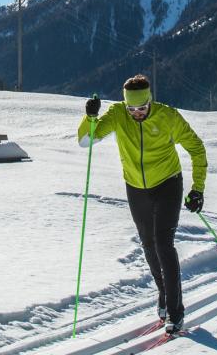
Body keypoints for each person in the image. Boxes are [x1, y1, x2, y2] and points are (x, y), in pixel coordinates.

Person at [78, 74, 207, 335]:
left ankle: (175, 310)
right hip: (136, 188)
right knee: (148, 245)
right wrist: (90, 118)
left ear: (150, 101)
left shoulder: (167, 116)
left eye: (142, 108)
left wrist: (198, 188)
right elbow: (85, 141)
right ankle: (163, 293)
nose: (137, 113)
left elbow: (196, 147)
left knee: (163, 244)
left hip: (168, 184)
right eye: (132, 109)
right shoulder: (117, 115)